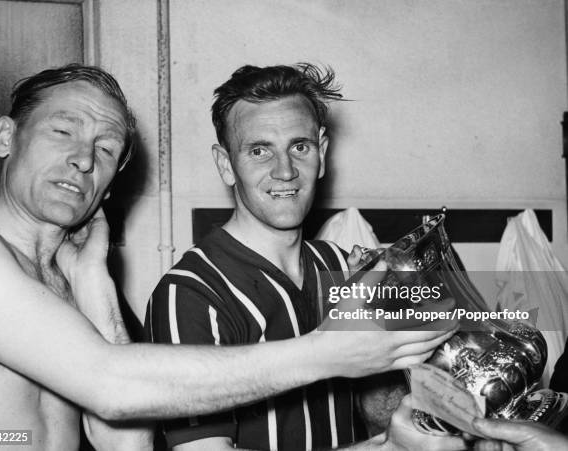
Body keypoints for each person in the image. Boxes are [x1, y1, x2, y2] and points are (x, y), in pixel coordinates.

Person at [0, 63, 457, 451]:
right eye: (62, 132)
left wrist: (94, 281)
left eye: (106, 148)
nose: (84, 159)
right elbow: (110, 383)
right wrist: (327, 351)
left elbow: (125, 441)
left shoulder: (65, 278)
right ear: (6, 137)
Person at [145, 63, 462, 450]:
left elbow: (384, 410)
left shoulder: (342, 267)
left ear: (322, 153)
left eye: (300, 147)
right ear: (226, 165)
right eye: (259, 150)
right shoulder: (190, 294)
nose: (285, 171)